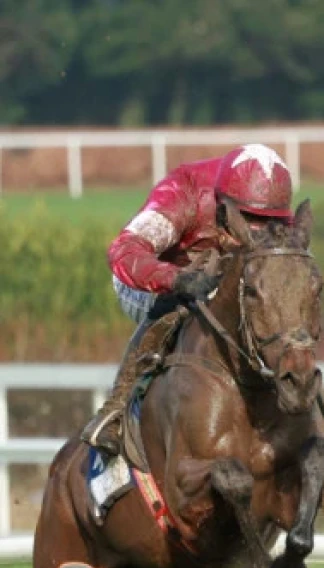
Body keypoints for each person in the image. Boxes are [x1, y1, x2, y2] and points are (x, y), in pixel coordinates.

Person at [81, 143, 294, 456]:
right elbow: (124, 251)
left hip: (218, 280)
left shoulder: (276, 211)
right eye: (249, 219)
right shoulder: (184, 193)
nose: (259, 232)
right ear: (224, 207)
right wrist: (176, 279)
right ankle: (115, 410)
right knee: (187, 303)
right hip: (146, 281)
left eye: (270, 222)